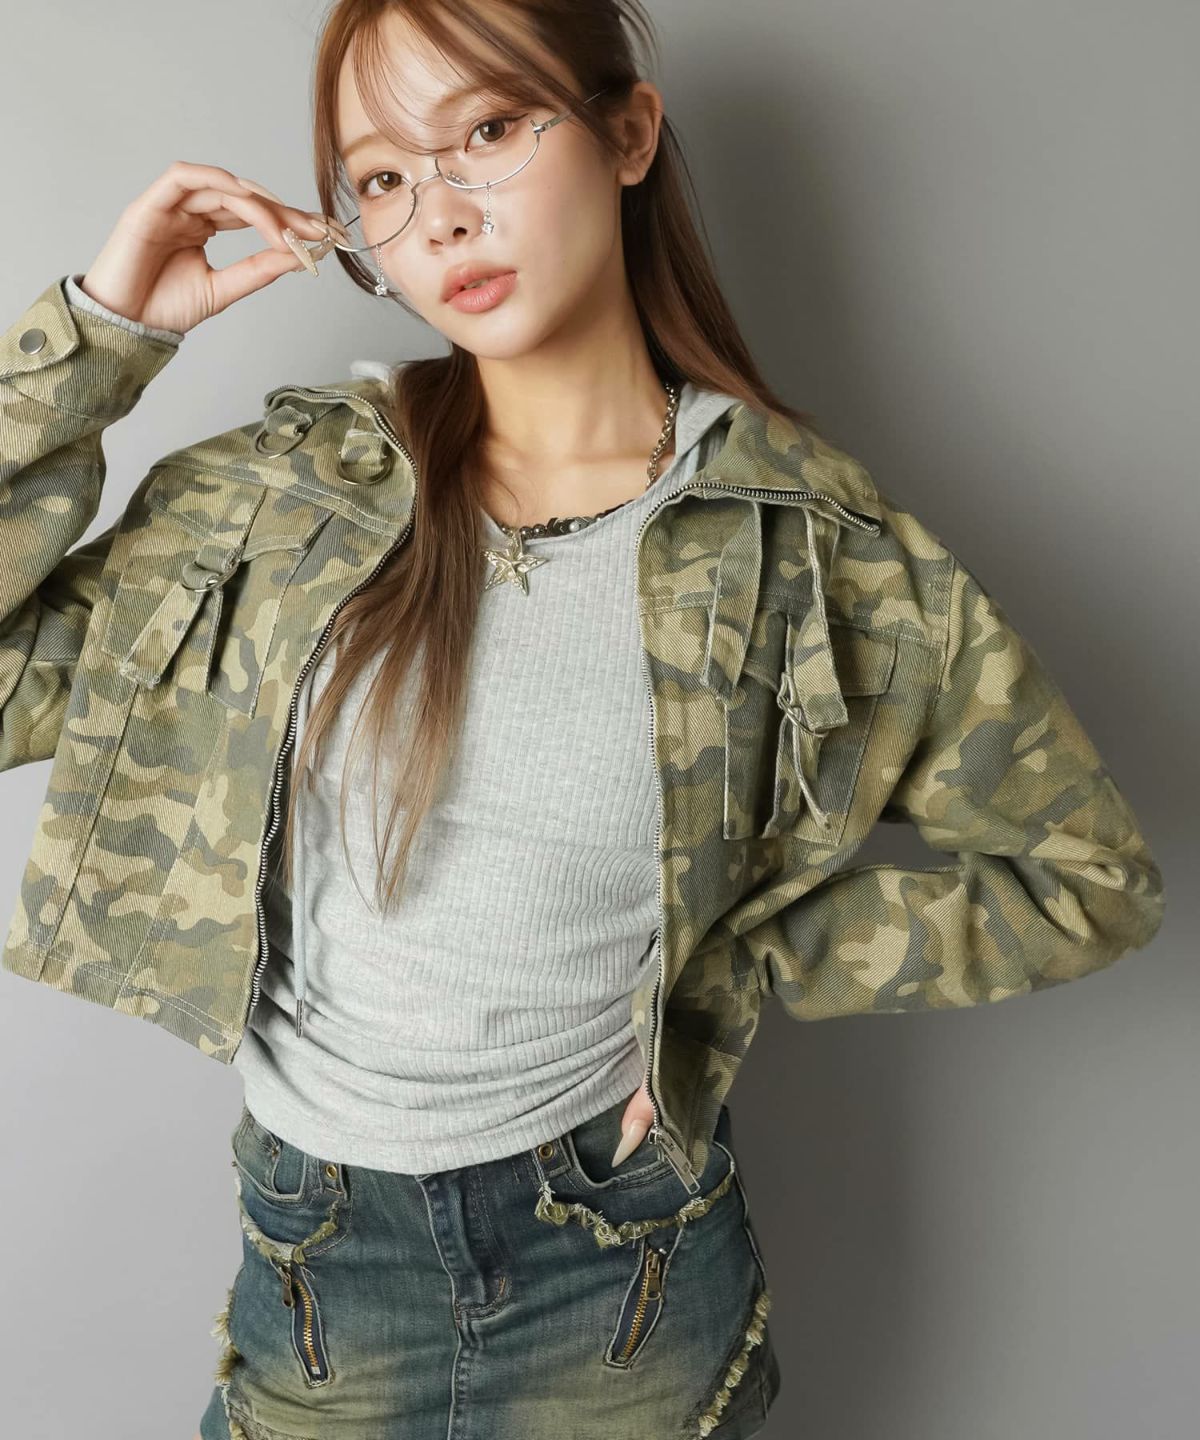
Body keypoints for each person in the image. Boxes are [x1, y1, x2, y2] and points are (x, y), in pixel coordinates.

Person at [0, 3, 1164, 1438]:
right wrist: (99, 337)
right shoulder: (274, 506)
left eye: (488, 130)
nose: (441, 215)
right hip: (320, 1273)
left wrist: (739, 956)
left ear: (627, 133)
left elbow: (1088, 882)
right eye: (382, 178)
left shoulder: (814, 553)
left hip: (627, 1280)